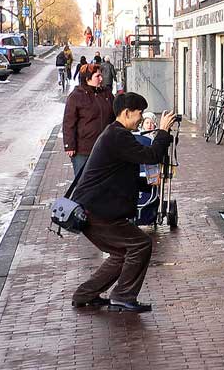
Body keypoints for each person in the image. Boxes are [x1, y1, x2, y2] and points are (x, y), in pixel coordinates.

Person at [70, 93, 176, 313]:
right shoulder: (118, 136)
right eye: (139, 114)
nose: (140, 119)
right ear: (127, 112)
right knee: (140, 245)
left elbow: (127, 173)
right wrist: (163, 131)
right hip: (97, 212)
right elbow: (151, 155)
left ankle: (85, 294)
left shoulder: (115, 134)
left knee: (122, 252)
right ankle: (123, 296)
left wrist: (148, 187)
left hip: (95, 209)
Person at [62, 64, 115, 176]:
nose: (101, 79)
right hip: (83, 150)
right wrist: (69, 145)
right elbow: (68, 123)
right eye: (97, 76)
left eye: (101, 76)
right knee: (83, 182)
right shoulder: (76, 96)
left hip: (104, 147)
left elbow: (115, 116)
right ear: (87, 79)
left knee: (103, 181)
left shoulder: (106, 94)